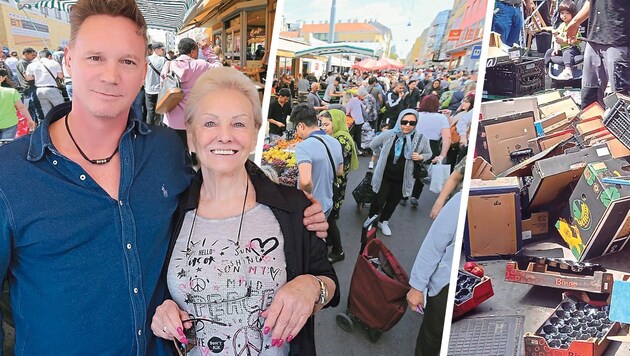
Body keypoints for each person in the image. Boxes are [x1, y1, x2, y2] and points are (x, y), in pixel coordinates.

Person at [0, 0, 328, 354]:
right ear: (68, 61)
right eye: (95, 57)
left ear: (144, 71)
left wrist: (295, 206)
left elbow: (221, 179)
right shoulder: (10, 174)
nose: (111, 75)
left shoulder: (164, 151)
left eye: (127, 61)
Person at [151, 67, 339, 356]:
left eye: (238, 124)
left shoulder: (294, 207)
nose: (224, 136)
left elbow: (328, 281)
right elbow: (160, 291)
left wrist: (311, 287)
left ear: (253, 136)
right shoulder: (169, 211)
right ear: (190, 136)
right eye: (210, 123)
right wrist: (163, 312)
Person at [407, 192, 460, 356]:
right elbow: (435, 242)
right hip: (445, 286)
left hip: (464, 279)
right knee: (432, 338)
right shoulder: (460, 200)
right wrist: (417, 286)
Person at [367, 109, 432, 236]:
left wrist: (420, 157)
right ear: (399, 120)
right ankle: (371, 220)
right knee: (378, 200)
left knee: (393, 202)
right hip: (384, 176)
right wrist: (381, 156)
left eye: (412, 123)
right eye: (404, 122)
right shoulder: (389, 134)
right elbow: (373, 144)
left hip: (402, 178)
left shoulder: (420, 138)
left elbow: (429, 153)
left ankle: (383, 221)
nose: (407, 125)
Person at [566, 0, 630, 108]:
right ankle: (591, 124)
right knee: (590, 96)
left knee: (621, 100)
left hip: (618, 38)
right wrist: (575, 22)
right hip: (594, 38)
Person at [319, 109, 359, 263]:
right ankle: (330, 240)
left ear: (336, 123)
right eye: (322, 124)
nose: (324, 128)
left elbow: (336, 167)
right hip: (335, 182)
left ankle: (338, 251)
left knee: (330, 218)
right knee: (330, 216)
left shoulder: (341, 141)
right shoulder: (335, 137)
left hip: (335, 184)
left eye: (327, 124)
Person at [161, 37, 215, 148]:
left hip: (172, 119)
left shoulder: (168, 65)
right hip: (194, 118)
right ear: (192, 51)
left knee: (177, 152)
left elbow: (163, 86)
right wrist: (207, 50)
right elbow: (219, 67)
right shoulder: (200, 65)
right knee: (197, 151)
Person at [292, 104, 344, 218]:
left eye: (296, 128)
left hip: (312, 208)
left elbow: (305, 182)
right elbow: (340, 171)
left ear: (301, 125)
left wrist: (305, 197)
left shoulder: (303, 147)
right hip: (328, 202)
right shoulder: (335, 142)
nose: (297, 132)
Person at [401, 95, 450, 208]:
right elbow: (447, 137)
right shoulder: (441, 118)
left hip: (414, 142)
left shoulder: (416, 115)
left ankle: (403, 195)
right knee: (422, 172)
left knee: (408, 169)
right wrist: (443, 155)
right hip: (432, 146)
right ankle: (415, 196)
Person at [543, 0, 583, 80]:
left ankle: (568, 70)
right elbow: (557, 36)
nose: (564, 16)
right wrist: (556, 45)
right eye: (562, 13)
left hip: (573, 48)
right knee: (549, 52)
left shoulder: (575, 25)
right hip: (562, 49)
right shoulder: (561, 25)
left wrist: (564, 40)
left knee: (567, 53)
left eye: (567, 13)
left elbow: (577, 40)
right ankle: (544, 68)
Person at [24, 49, 64, 118]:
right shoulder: (54, 63)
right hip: (51, 88)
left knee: (47, 112)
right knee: (61, 109)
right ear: (49, 56)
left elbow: (28, 78)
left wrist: (36, 76)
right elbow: (61, 76)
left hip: (39, 90)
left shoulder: (32, 65)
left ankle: (49, 126)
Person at [0, 69, 35, 139]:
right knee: (6, 146)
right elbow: (21, 107)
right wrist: (30, 119)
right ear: (1, 78)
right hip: (9, 123)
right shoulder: (12, 92)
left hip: (9, 124)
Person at [15, 47, 44, 123]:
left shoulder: (27, 62)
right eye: (32, 55)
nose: (34, 56)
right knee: (36, 106)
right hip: (29, 87)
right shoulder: (23, 63)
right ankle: (40, 123)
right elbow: (27, 76)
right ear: (26, 54)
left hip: (32, 87)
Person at [145, 41, 167, 125]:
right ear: (156, 50)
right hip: (160, 90)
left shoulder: (147, 60)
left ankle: (149, 129)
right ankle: (161, 130)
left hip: (148, 90)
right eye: (162, 49)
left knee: (150, 112)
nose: (163, 51)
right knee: (161, 111)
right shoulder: (163, 60)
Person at [346, 87, 367, 154]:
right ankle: (359, 149)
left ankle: (353, 149)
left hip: (354, 121)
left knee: (351, 135)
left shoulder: (352, 100)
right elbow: (364, 108)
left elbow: (347, 110)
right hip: (360, 120)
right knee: (358, 136)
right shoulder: (359, 101)